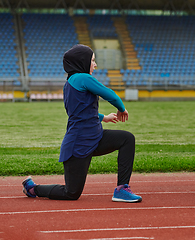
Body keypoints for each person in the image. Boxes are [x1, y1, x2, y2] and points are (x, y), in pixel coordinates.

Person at [22, 44, 142, 202]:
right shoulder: (82, 77)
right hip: (78, 145)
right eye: (92, 60)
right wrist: (122, 109)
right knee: (71, 193)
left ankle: (122, 189)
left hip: (95, 138)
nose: (95, 64)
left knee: (127, 139)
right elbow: (110, 95)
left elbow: (80, 112)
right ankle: (33, 188)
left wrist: (103, 117)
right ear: (82, 61)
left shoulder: (69, 83)